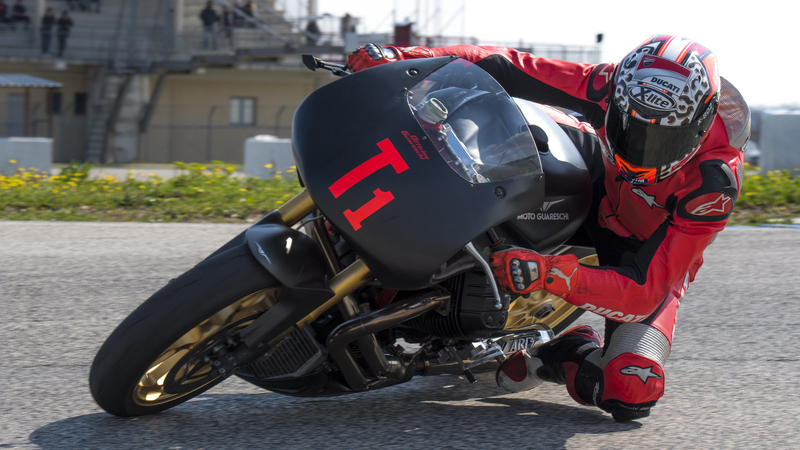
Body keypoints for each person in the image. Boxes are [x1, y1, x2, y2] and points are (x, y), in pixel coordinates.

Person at [347, 35, 750, 422]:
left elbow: (646, 292)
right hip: (596, 169)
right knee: (490, 122)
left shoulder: (714, 183)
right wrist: (403, 58)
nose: (641, 149)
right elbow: (507, 65)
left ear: (698, 127)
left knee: (632, 388)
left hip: (640, 249)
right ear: (618, 99)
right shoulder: (612, 84)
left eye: (661, 140)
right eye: (631, 127)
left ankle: (560, 354)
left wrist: (548, 273)